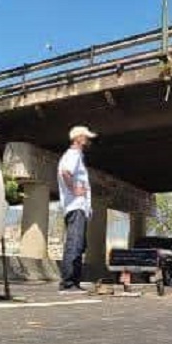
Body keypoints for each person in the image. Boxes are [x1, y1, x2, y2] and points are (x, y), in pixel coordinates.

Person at [57, 126, 97, 294]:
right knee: (75, 243)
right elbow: (65, 172)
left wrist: (88, 207)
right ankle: (68, 283)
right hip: (75, 207)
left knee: (79, 244)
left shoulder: (78, 156)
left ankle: (74, 282)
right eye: (86, 137)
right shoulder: (72, 154)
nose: (88, 140)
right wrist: (74, 189)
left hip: (80, 207)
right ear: (78, 138)